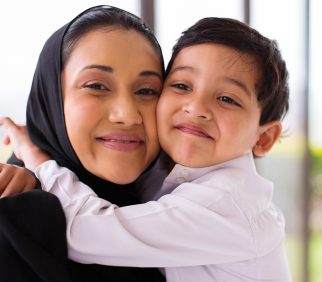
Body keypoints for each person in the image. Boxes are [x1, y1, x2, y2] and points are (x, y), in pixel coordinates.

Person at [1, 17, 291, 282]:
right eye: (180, 85)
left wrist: (39, 160)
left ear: (264, 138)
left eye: (227, 98)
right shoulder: (160, 176)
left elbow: (86, 231)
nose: (196, 108)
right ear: (50, 98)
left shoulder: (225, 204)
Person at [0, 5, 166, 282]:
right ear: (51, 98)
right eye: (97, 86)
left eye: (147, 90)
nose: (127, 115)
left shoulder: (179, 206)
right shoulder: (14, 217)